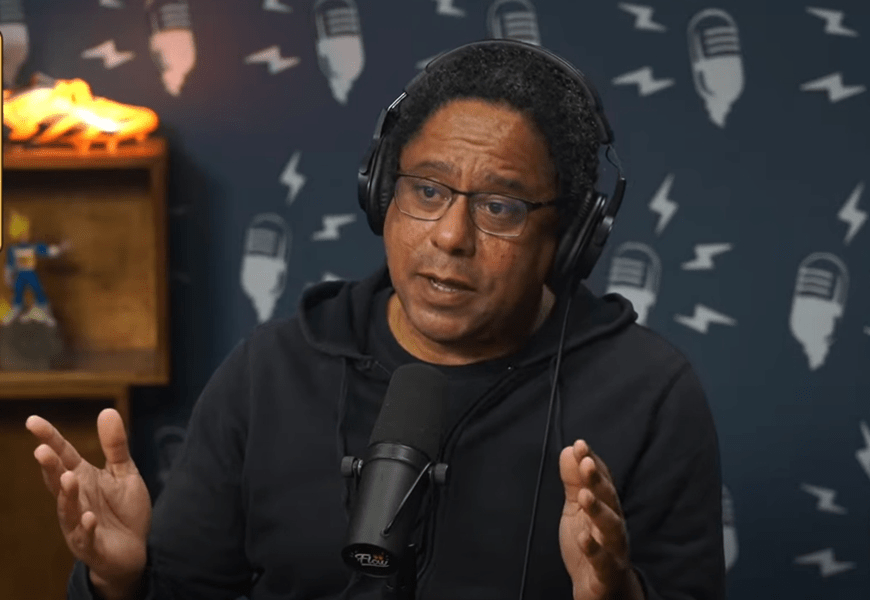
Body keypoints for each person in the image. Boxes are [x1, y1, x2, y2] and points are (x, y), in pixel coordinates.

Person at [26, 40, 725, 600]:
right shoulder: (273, 372)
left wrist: (618, 594)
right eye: (427, 190)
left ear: (570, 239)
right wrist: (118, 582)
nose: (450, 236)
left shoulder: (647, 393)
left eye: (500, 206)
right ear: (381, 193)